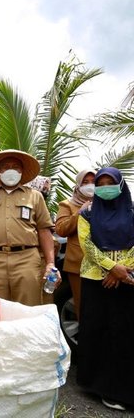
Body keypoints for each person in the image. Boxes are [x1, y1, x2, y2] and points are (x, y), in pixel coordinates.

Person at [0, 149, 60, 306]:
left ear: (22, 171)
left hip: (27, 259)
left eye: (15, 166)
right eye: (5, 166)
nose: (11, 170)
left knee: (28, 309)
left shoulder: (34, 196)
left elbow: (44, 230)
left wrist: (50, 263)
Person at [76, 167, 134, 411]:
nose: (105, 187)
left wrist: (123, 269)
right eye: (102, 183)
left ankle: (124, 389)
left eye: (111, 182)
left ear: (121, 185)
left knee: (124, 332)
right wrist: (111, 267)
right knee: (97, 330)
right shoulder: (87, 213)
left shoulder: (132, 213)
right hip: (94, 279)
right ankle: (98, 385)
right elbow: (86, 244)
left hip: (127, 279)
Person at [55, 169, 96, 318]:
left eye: (93, 182)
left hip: (106, 264)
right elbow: (61, 229)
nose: (90, 185)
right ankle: (86, 340)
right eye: (85, 182)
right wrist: (80, 212)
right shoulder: (67, 204)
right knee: (83, 307)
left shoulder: (106, 203)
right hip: (79, 264)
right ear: (78, 185)